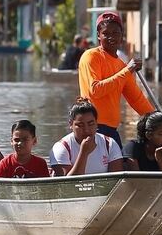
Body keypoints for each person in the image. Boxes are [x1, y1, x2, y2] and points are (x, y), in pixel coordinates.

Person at [76, 11, 153, 146]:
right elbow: (95, 90)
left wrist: (159, 120)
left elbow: (136, 99)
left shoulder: (121, 65)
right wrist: (128, 70)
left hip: (111, 130)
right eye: (106, 33)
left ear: (122, 35)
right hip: (91, 129)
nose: (111, 37)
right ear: (98, 36)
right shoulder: (91, 56)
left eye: (115, 33)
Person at [49, 97, 126, 176]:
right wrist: (84, 153)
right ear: (71, 124)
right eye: (80, 125)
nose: (86, 130)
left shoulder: (109, 144)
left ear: (97, 123)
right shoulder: (61, 147)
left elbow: (116, 180)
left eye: (91, 124)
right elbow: (67, 182)